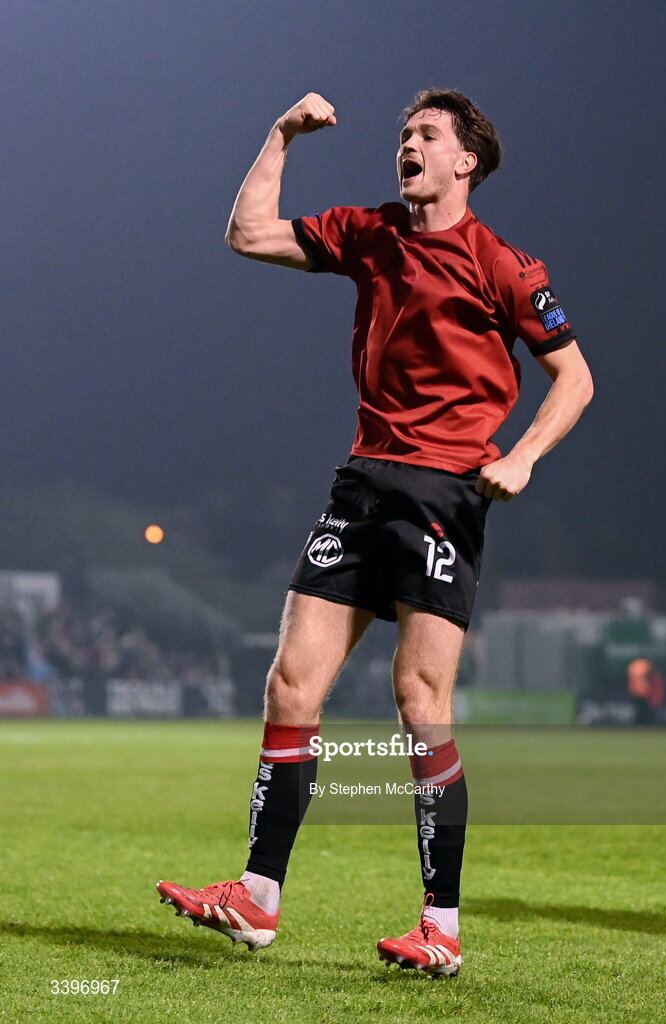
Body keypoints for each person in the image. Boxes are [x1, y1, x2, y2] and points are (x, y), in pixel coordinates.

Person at [157, 90, 594, 976]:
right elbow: (248, 233)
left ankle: (441, 927)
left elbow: (575, 377)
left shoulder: (505, 265)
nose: (409, 144)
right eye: (403, 134)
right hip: (363, 480)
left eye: (427, 134)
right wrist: (278, 134)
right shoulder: (372, 232)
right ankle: (257, 899)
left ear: (465, 161)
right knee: (291, 684)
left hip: (444, 490)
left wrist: (525, 457)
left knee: (420, 702)